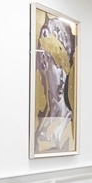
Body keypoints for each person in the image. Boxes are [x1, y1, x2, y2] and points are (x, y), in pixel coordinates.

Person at [34, 13, 76, 154]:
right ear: (44, 62)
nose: (63, 76)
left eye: (65, 67)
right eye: (58, 65)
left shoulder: (68, 122)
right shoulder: (41, 123)